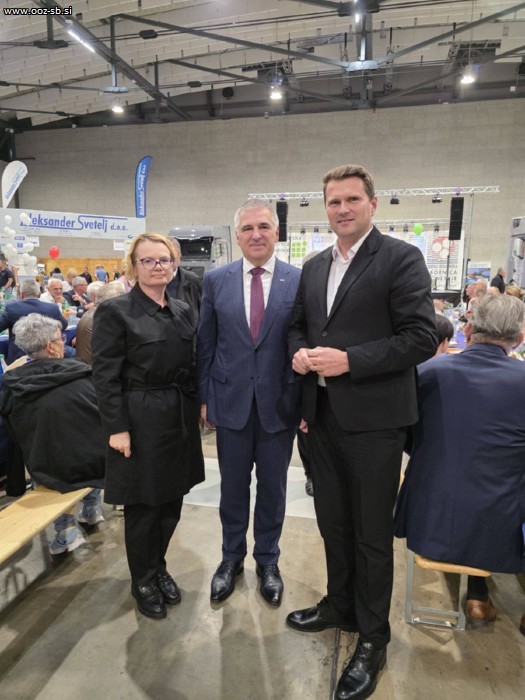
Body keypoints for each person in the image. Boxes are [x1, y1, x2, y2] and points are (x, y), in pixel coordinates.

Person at [287, 164, 437, 700]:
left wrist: (350, 360)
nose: (342, 209)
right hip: (321, 418)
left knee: (372, 535)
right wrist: (298, 354)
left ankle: (373, 637)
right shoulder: (313, 267)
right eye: (334, 201)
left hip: (375, 423)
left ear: (373, 203)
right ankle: (341, 605)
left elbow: (421, 337)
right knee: (333, 523)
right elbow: (299, 327)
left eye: (352, 199)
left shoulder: (400, 258)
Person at [395, 294, 525, 630]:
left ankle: (478, 595)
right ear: (519, 339)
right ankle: (479, 596)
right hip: (499, 525)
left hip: (427, 516)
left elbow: (405, 439)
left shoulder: (425, 372)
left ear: (467, 330)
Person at [92, 233, 205, 620]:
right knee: (144, 507)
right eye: (149, 260)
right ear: (133, 266)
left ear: (175, 264)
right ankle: (142, 579)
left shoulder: (182, 309)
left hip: (178, 416)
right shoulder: (116, 311)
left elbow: (193, 362)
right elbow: (105, 376)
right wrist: (117, 428)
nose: (158, 266)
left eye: (164, 260)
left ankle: (158, 567)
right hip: (140, 418)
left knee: (171, 501)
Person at [197, 198, 301, 607]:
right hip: (230, 402)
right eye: (247, 229)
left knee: (273, 489)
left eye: (263, 227)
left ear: (276, 232)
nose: (256, 234)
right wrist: (205, 397)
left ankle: (268, 561)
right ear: (237, 237)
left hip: (280, 404)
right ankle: (230, 558)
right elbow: (206, 343)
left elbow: (306, 341)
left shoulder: (298, 280)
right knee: (232, 488)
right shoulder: (215, 281)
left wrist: (307, 405)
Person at [0, 314, 105, 554]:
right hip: (96, 463)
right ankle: (91, 509)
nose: (65, 342)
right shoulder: (83, 372)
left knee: (45, 453)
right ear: (51, 346)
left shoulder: (14, 384)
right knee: (88, 438)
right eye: (61, 339)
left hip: (48, 468)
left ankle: (66, 531)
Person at [0, 279, 67, 363]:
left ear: (21, 295)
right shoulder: (52, 308)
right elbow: (64, 325)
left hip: (19, 359)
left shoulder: (12, 308)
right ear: (39, 294)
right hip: (49, 356)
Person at [76, 282, 122, 365]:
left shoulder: (93, 312)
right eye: (119, 300)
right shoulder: (103, 318)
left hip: (86, 364)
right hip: (95, 367)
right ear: (111, 302)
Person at [166, 238, 202, 322]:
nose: (169, 260)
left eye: (173, 255)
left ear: (179, 257)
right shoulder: (151, 281)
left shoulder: (193, 281)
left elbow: (203, 314)